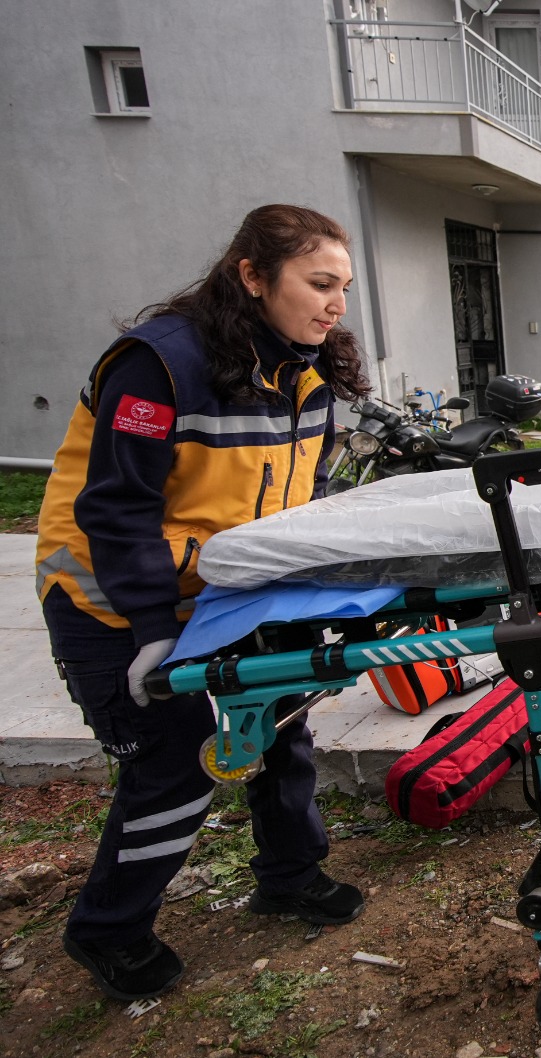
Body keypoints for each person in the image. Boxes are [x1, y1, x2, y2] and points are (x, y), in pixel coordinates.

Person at [35, 204, 374, 1003]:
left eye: (345, 288)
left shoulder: (308, 372)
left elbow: (304, 502)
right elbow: (114, 511)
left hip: (234, 596)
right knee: (177, 764)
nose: (336, 305)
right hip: (115, 604)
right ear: (251, 277)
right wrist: (154, 628)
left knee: (282, 728)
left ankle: (289, 876)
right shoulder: (159, 365)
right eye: (319, 284)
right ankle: (108, 929)